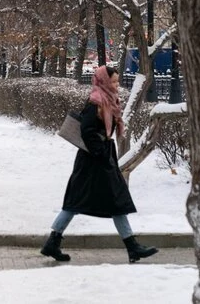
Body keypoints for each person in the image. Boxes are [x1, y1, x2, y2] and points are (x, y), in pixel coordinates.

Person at [41, 66, 158, 263]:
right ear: (103, 82)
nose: (116, 85)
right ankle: (131, 247)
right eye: (113, 81)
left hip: (99, 159)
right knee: (88, 202)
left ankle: (131, 247)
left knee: (110, 201)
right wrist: (100, 152)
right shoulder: (96, 102)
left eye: (117, 81)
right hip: (93, 160)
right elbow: (87, 130)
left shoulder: (108, 101)